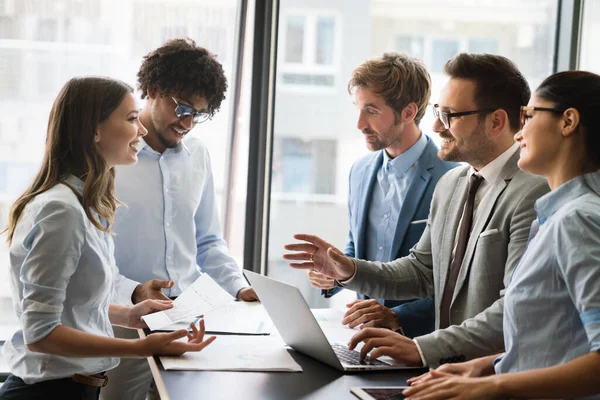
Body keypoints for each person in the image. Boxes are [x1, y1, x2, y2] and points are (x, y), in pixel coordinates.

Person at [284, 53, 549, 368]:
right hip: (443, 373)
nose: (436, 125)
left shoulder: (535, 191)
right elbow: (421, 271)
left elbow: (513, 310)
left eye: (449, 115)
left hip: (493, 378)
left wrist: (421, 349)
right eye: (439, 111)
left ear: (496, 122)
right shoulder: (452, 183)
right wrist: (348, 270)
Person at [0, 77, 215, 400]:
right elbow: (40, 334)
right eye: (131, 119)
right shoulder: (61, 210)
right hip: (47, 392)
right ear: (94, 130)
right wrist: (140, 347)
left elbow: (76, 303)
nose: (141, 130)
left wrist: (130, 315)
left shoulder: (85, 204)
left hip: (73, 389)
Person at [402, 70, 600, 400]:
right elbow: (556, 343)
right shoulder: (554, 217)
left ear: (568, 122)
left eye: (529, 115)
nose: (519, 131)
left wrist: (493, 385)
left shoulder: (579, 219)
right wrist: (488, 366)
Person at [100, 39, 257, 400]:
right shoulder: (108, 157)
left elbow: (208, 241)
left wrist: (238, 286)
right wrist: (135, 291)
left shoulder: (198, 156)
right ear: (152, 90)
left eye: (198, 114)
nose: (187, 123)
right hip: (121, 320)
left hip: (187, 317)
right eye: (182, 108)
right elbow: (92, 255)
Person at [308, 52, 457, 338]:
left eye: (372, 111)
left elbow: (457, 282)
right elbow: (357, 248)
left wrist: (397, 318)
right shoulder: (360, 170)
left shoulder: (451, 176)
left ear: (408, 112)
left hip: (422, 342)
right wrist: (333, 274)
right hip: (362, 337)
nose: (360, 123)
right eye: (358, 109)